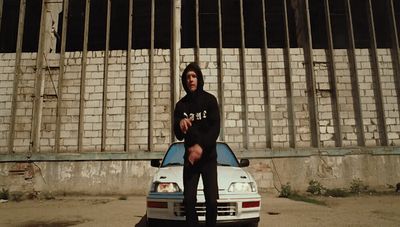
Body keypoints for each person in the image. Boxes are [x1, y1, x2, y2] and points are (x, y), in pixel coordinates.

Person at [174, 62, 221, 227]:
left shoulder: (210, 100)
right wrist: (179, 124)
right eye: (187, 77)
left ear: (199, 79)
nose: (191, 80)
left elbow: (215, 129)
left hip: (208, 159)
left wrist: (200, 146)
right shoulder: (181, 106)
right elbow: (178, 135)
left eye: (194, 76)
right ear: (184, 81)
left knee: (212, 201)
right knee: (188, 200)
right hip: (191, 161)